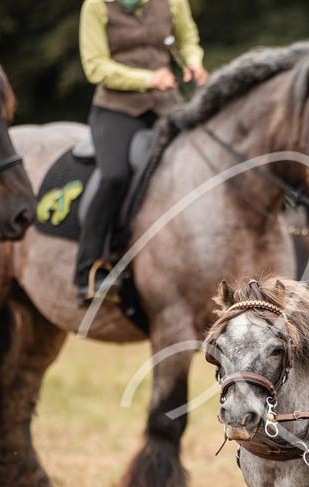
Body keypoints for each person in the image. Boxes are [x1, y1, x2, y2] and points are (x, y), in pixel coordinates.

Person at [76, 0, 208, 306]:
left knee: (199, 168)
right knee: (114, 176)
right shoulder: (96, 6)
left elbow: (188, 39)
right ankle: (88, 273)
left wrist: (193, 61)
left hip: (165, 105)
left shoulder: (173, 2)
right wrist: (147, 79)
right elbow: (95, 66)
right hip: (115, 109)